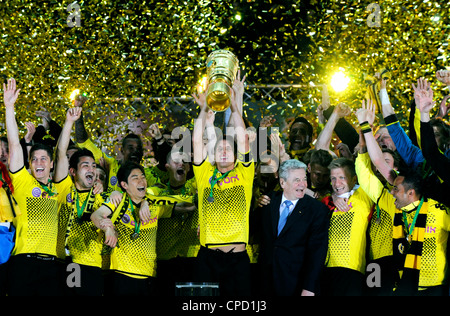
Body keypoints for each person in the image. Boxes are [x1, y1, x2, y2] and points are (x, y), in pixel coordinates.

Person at [3, 78, 72, 296]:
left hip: (52, 266)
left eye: (44, 159)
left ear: (51, 165)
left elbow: (62, 153)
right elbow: (14, 145)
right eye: (35, 159)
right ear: (29, 164)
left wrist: (69, 122)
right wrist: (9, 107)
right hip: (23, 263)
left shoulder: (59, 188)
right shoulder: (23, 182)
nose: (39, 163)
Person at [191, 72, 255, 296]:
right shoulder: (204, 173)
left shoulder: (245, 173)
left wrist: (236, 106)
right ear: (213, 155)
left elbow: (243, 137)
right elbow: (197, 140)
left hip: (238, 259)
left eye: (229, 148)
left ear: (237, 156)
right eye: (220, 149)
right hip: (207, 258)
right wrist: (203, 109)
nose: (225, 150)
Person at [90, 161, 193, 296]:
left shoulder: (154, 204)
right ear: (124, 185)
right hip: (122, 275)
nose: (141, 181)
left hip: (149, 276)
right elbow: (96, 215)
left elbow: (187, 206)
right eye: (135, 178)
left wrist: (146, 201)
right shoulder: (118, 200)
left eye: (143, 177)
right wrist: (108, 229)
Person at [52, 107, 107, 296]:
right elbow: (60, 154)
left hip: (90, 265)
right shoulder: (64, 188)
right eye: (85, 165)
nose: (91, 169)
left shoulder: (101, 196)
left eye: (93, 165)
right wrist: (69, 122)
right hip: (62, 261)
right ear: (73, 172)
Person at [257, 159, 329, 296]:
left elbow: (317, 252)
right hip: (265, 283)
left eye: (304, 179)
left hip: (297, 285)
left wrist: (309, 288)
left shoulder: (317, 210)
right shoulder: (268, 202)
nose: (303, 184)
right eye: (297, 180)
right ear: (282, 182)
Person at [320, 157, 373, 296]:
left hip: (352, 270)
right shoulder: (326, 202)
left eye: (342, 177)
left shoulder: (364, 196)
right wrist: (333, 196)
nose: (337, 183)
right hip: (326, 270)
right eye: (333, 178)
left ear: (354, 179)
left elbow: (366, 166)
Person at [155, 150, 199, 296]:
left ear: (189, 168)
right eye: (176, 161)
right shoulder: (156, 192)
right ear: (167, 166)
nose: (181, 163)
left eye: (185, 161)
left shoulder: (195, 188)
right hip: (164, 261)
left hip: (191, 260)